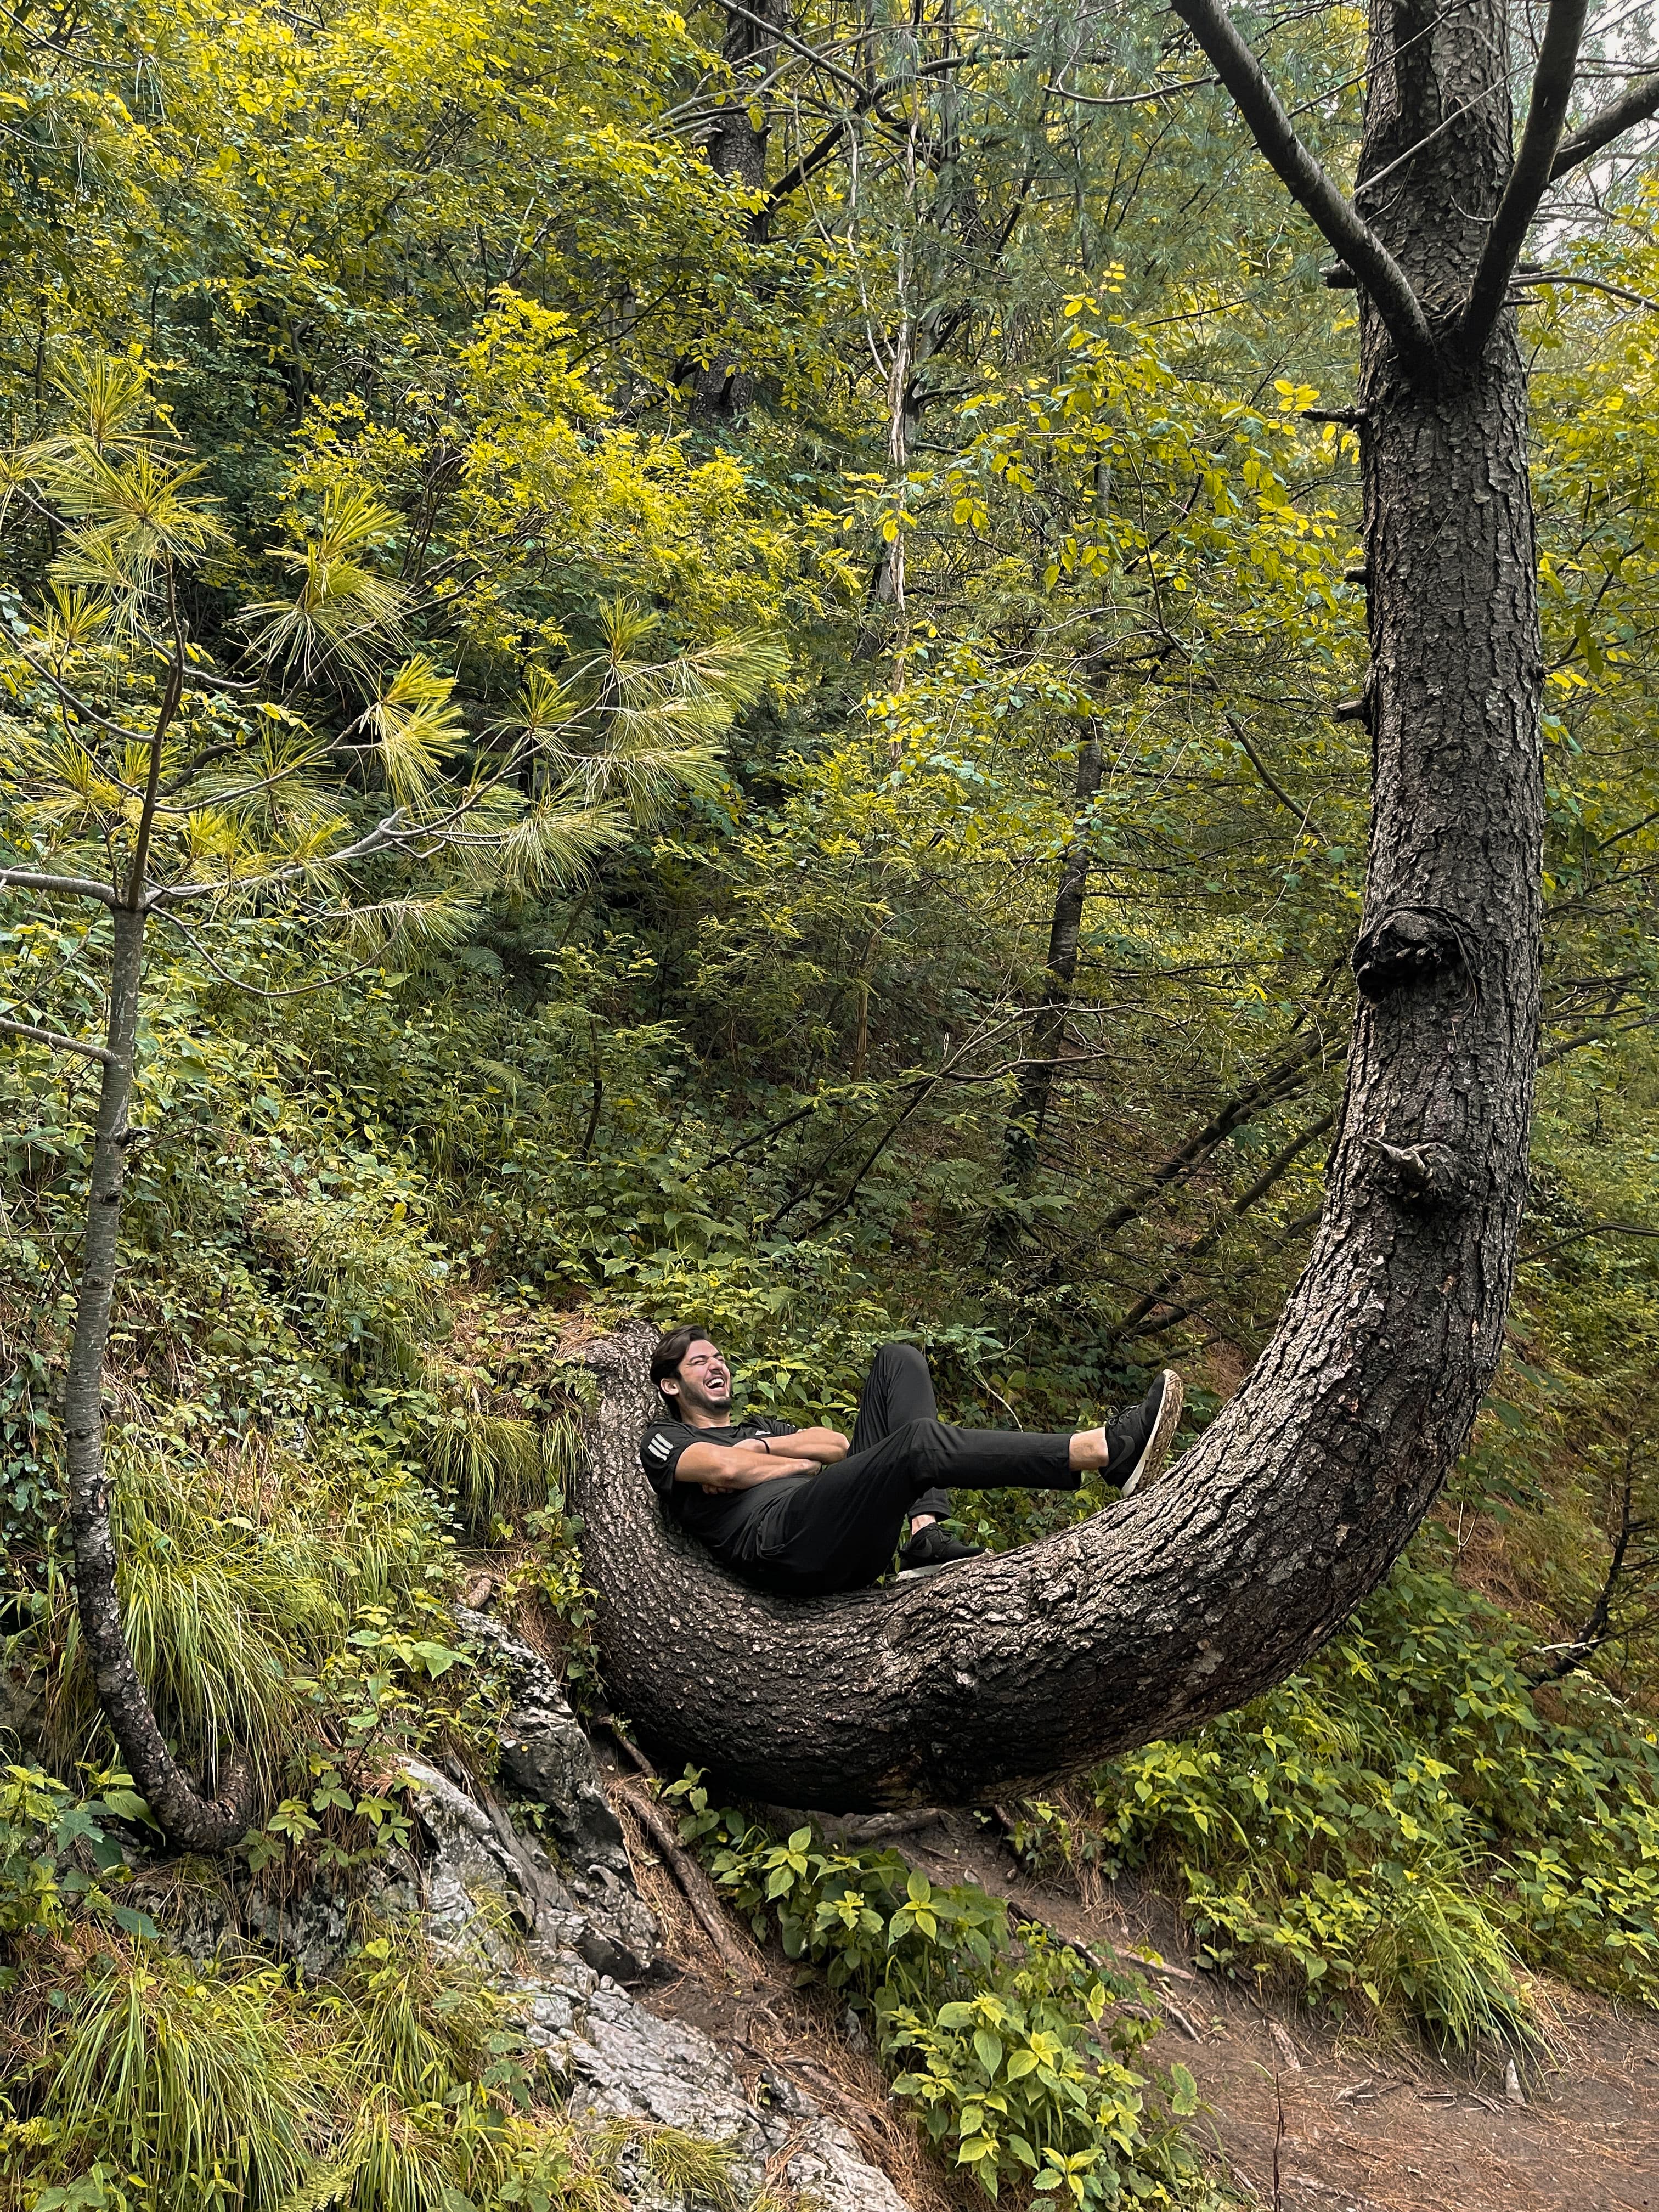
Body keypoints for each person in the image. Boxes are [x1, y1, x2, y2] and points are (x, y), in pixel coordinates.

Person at [639, 1325, 1184, 1598]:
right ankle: (1107, 1451)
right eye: (700, 1362)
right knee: (917, 1443)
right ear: (671, 1383)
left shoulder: (756, 1429)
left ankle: (923, 1536)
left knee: (899, 1360)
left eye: (720, 1357)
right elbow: (725, 1472)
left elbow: (832, 1447)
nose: (718, 1366)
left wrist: (760, 1449)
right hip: (783, 1546)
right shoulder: (664, 1437)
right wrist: (788, 1464)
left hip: (832, 1523)